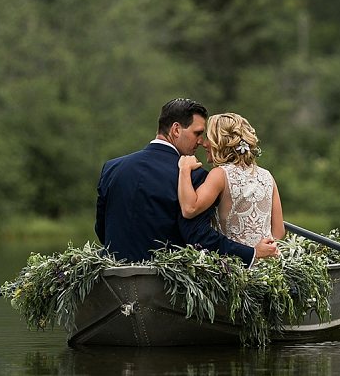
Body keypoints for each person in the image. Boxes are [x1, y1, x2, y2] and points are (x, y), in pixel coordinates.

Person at [95, 99, 278, 267]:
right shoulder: (193, 176)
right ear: (176, 130)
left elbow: (102, 231)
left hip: (113, 281)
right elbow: (199, 238)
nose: (201, 141)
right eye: (197, 133)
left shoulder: (112, 168)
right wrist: (251, 253)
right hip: (165, 287)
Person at [178, 113, 285, 247]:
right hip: (269, 263)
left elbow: (189, 209)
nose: (204, 144)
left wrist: (184, 169)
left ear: (220, 142)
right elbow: (278, 232)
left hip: (237, 264)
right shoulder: (267, 176)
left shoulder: (220, 174)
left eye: (208, 138)